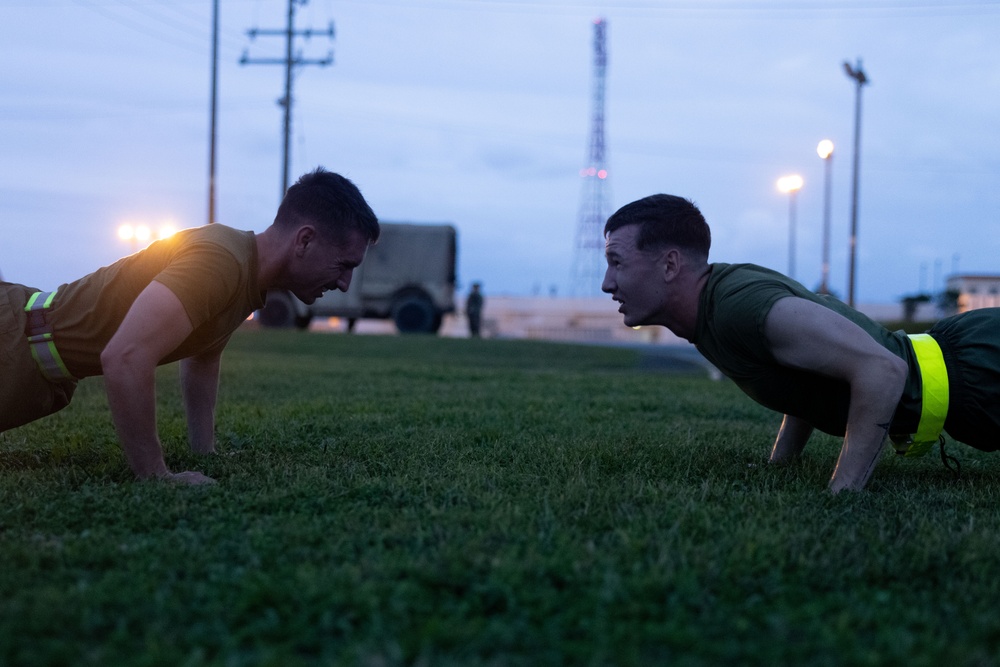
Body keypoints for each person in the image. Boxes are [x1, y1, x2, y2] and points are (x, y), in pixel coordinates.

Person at [1, 167, 379, 484]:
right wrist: (156, 476)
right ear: (305, 240)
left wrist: (205, 451)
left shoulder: (246, 277)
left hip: (37, 372)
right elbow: (126, 357)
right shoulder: (220, 261)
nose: (344, 283)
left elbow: (203, 358)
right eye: (344, 265)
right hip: (12, 337)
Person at [601, 193, 1000, 492]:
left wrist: (843, 491)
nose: (607, 283)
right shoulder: (711, 311)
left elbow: (883, 370)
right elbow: (805, 370)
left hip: (984, 369)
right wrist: (781, 463)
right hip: (968, 391)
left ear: (670, 265)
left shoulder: (739, 307)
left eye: (617, 262)